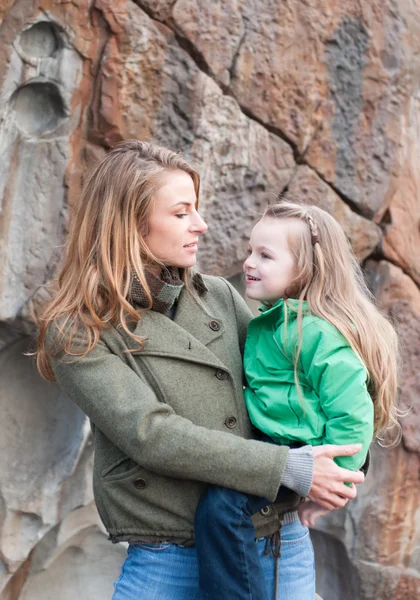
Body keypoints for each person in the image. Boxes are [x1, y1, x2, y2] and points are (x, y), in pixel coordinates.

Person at [36, 141, 365, 600]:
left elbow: (300, 378)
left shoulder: (217, 296)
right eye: (181, 212)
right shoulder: (78, 329)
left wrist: (337, 464)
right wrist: (288, 467)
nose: (201, 224)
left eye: (197, 208)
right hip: (168, 557)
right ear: (130, 222)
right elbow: (150, 434)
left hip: (274, 542)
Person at [194, 199, 400, 600]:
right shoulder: (273, 321)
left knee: (221, 511)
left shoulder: (317, 334)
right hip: (274, 445)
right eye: (251, 250)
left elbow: (353, 411)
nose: (250, 262)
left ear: (305, 269)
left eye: (265, 255)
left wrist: (330, 484)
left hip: (299, 452)